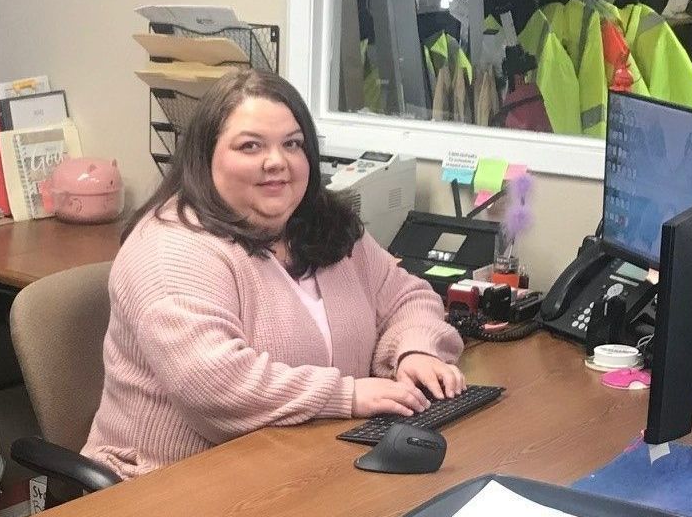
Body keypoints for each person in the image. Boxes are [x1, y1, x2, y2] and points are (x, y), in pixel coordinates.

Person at [82, 68, 465, 480]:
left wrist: (415, 350)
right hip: (171, 486)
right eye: (250, 146)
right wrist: (347, 395)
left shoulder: (324, 226)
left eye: (292, 144)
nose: (277, 162)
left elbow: (407, 296)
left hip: (311, 466)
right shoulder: (170, 247)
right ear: (205, 157)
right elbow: (212, 384)